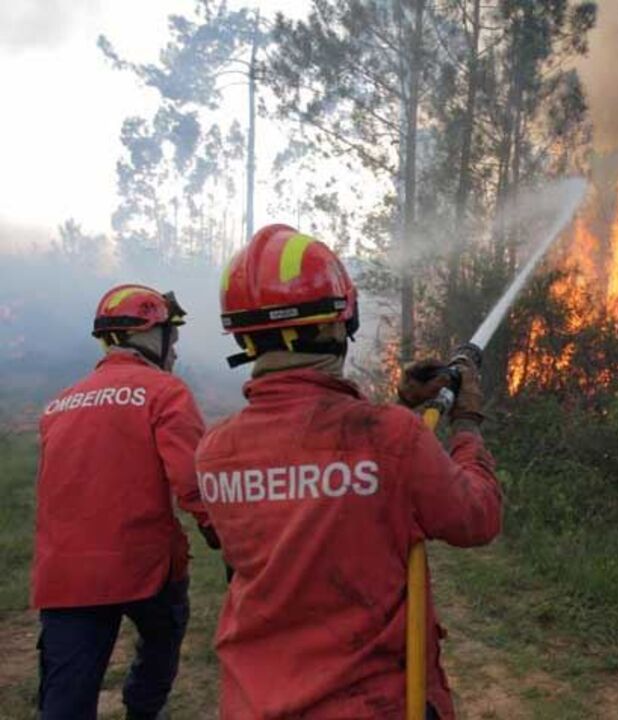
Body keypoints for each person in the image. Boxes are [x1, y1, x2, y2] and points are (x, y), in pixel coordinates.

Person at [196, 224, 501, 719]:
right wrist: (465, 423)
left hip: (253, 702)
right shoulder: (389, 439)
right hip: (369, 703)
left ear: (243, 337)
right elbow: (476, 517)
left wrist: (401, 405)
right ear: (342, 322)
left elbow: (314, 451)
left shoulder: (215, 450)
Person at [32, 284, 219, 720]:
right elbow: (193, 482)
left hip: (66, 574)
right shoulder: (165, 393)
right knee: (163, 639)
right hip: (145, 568)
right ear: (152, 336)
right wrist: (220, 534)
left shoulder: (59, 405)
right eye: (172, 337)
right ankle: (142, 710)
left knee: (65, 699)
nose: (174, 352)